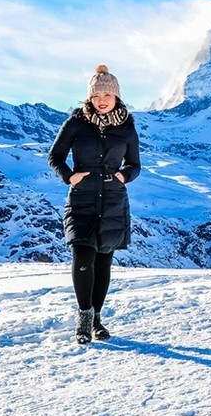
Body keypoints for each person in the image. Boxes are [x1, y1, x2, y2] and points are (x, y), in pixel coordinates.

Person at [47, 64, 141, 344]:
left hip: (113, 202)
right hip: (82, 201)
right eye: (96, 95)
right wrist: (69, 176)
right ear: (89, 97)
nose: (101, 100)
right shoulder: (76, 123)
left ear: (116, 97)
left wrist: (124, 176)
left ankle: (97, 319)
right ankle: (84, 319)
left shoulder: (126, 128)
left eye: (107, 95)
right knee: (83, 257)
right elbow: (55, 156)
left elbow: (135, 164)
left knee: (103, 263)